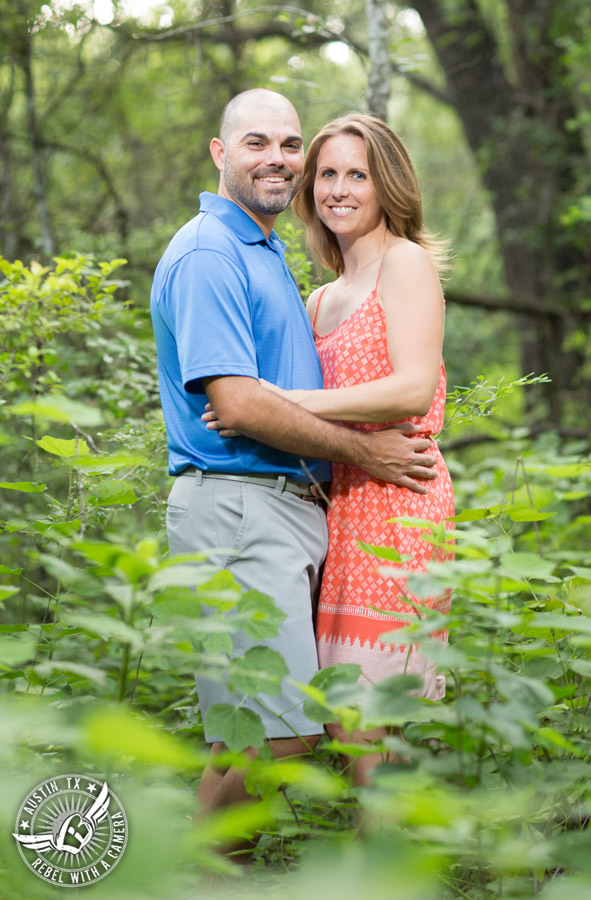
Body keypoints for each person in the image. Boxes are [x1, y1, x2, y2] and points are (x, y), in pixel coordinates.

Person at [150, 90, 438, 813]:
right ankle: (195, 875)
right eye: (256, 142)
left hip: (340, 513)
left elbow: (395, 388)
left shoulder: (275, 258)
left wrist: (293, 413)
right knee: (281, 733)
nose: (280, 160)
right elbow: (241, 404)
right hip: (252, 506)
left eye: (290, 145)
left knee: (302, 726)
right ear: (220, 153)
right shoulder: (217, 253)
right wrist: (356, 450)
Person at [225, 113, 455, 785]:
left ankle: (385, 878)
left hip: (398, 502)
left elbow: (412, 388)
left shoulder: (404, 264)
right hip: (337, 508)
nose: (340, 189)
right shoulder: (320, 299)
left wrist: (272, 401)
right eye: (327, 174)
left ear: (387, 186)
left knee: (369, 719)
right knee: (336, 717)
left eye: (358, 174)